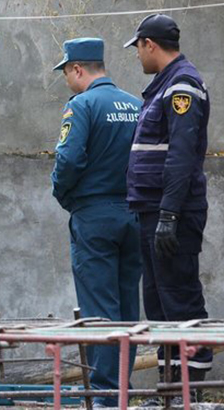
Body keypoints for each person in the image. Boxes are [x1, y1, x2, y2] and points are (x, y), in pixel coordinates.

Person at [124, 14, 212, 401]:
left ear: (150, 45)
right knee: (159, 304)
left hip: (170, 212)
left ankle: (187, 393)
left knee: (180, 300)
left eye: (138, 48)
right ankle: (170, 389)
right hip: (152, 211)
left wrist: (170, 215)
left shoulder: (182, 85)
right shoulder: (162, 87)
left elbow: (181, 154)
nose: (138, 56)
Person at [51, 38, 142, 408]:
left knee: (99, 307)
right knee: (126, 305)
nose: (67, 81)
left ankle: (106, 394)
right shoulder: (136, 104)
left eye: (66, 73)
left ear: (77, 69)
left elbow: (69, 160)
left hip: (95, 216)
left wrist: (63, 195)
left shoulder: (82, 105)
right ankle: (123, 387)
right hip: (134, 213)